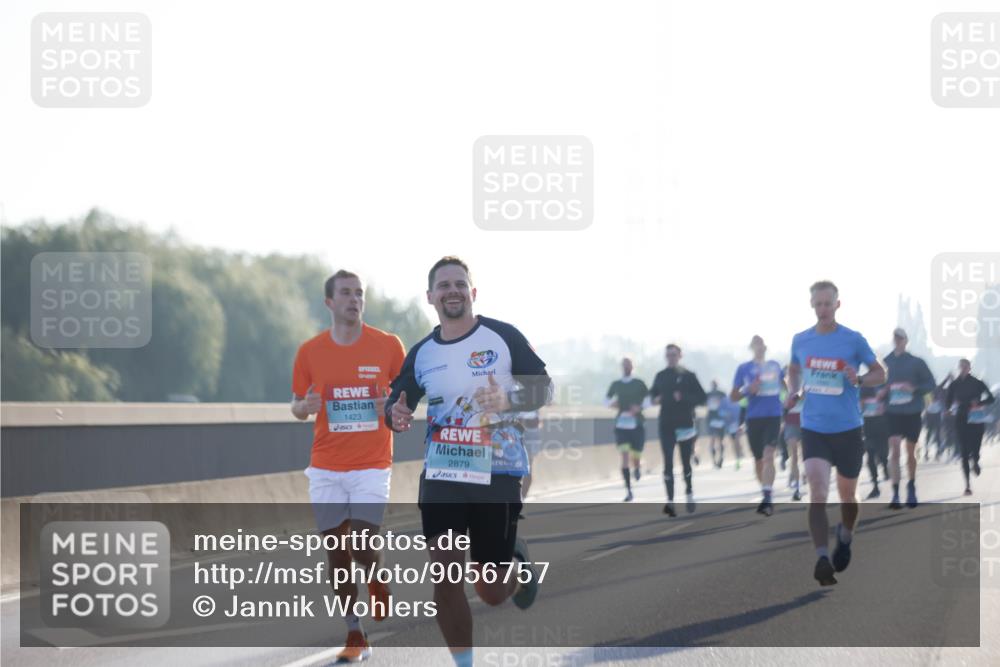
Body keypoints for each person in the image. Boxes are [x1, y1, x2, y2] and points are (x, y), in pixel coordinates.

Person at [385, 257, 551, 667]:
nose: (452, 291)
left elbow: (544, 389)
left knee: (492, 591)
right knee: (445, 575)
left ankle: (515, 557)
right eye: (443, 286)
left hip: (496, 469)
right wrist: (394, 415)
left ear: (472, 293)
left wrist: (508, 399)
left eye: (460, 284)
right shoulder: (422, 353)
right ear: (430, 297)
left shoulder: (502, 336)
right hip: (443, 470)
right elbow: (397, 400)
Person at [291, 269, 406, 662]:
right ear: (329, 302)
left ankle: (375, 575)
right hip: (325, 466)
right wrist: (302, 408)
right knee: (336, 553)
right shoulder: (310, 351)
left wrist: (391, 407)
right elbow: (296, 405)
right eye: (345, 293)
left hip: (372, 464)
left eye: (359, 293)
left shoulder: (388, 346)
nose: (354, 299)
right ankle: (354, 633)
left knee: (360, 541)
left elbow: (407, 403)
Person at [787, 280, 885, 587]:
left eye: (828, 303)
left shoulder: (853, 340)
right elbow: (793, 369)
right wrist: (794, 389)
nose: (823, 309)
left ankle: (845, 535)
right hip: (813, 426)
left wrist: (859, 378)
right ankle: (821, 558)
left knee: (847, 495)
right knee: (817, 490)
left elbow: (880, 373)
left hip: (848, 428)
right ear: (812, 305)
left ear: (837, 305)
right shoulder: (800, 340)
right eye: (818, 304)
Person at [731, 335, 786, 516]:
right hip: (754, 418)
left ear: (765, 347)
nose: (759, 347)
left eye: (762, 344)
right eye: (756, 344)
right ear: (751, 348)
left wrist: (786, 407)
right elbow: (733, 396)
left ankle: (767, 496)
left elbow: (785, 389)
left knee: (769, 455)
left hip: (773, 416)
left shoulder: (775, 366)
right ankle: (765, 489)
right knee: (758, 460)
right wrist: (748, 390)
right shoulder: (743, 369)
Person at [650, 344, 707, 516]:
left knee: (685, 462)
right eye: (668, 355)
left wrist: (684, 398)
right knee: (667, 462)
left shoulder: (689, 376)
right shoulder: (660, 376)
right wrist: (656, 399)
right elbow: (652, 397)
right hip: (666, 424)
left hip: (685, 424)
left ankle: (689, 493)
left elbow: (702, 398)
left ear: (680, 355)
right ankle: (670, 502)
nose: (671, 357)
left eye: (674, 354)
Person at [882, 328, 936, 509]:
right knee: (895, 451)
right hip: (892, 413)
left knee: (910, 452)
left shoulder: (917, 362)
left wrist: (912, 388)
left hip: (912, 412)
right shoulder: (885, 362)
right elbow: (875, 384)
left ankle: (911, 486)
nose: (897, 341)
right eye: (895, 338)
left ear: (906, 341)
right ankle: (895, 493)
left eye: (901, 338)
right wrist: (881, 393)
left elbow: (931, 384)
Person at [945, 358, 996, 496]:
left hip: (976, 419)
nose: (963, 369)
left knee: (975, 448)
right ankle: (967, 485)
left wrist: (979, 403)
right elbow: (948, 401)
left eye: (965, 367)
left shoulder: (978, 383)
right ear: (959, 368)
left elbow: (991, 398)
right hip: (961, 419)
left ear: (969, 368)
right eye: (961, 367)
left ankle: (976, 461)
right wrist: (948, 409)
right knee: (963, 452)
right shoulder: (954, 384)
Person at [605, 357, 650, 502]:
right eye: (624, 365)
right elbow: (605, 400)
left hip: (637, 424)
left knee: (636, 456)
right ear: (621, 367)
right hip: (621, 425)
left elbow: (649, 400)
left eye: (628, 365)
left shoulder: (639, 383)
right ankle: (629, 490)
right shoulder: (616, 384)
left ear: (633, 367)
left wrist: (639, 408)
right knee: (624, 456)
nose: (626, 368)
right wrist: (613, 404)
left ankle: (637, 467)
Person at [859, 382, 889, 499]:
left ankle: (885, 466)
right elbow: (859, 404)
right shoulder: (864, 385)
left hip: (883, 424)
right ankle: (875, 486)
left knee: (882, 454)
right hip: (868, 425)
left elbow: (893, 402)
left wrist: (885, 406)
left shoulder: (886, 384)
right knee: (870, 455)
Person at [783, 391, 804, 501]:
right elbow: (782, 404)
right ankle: (797, 488)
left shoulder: (808, 376)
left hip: (807, 421)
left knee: (806, 455)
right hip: (791, 423)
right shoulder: (785, 380)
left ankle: (802, 473)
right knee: (794, 455)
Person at [706, 381, 728, 468]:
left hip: (717, 418)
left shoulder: (720, 394)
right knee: (715, 439)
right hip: (714, 418)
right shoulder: (710, 394)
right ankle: (716, 459)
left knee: (716, 439)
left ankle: (719, 458)